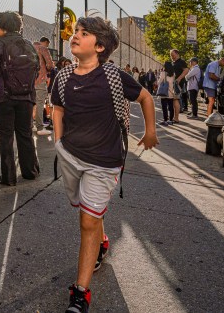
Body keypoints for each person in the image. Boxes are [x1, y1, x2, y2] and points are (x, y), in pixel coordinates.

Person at [51, 17, 158, 313]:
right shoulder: (63, 77)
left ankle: (81, 292)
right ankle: (103, 240)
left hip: (105, 162)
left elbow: (146, 97)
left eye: (83, 34)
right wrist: (59, 142)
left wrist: (150, 131)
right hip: (71, 156)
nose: (75, 36)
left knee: (86, 221)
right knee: (88, 211)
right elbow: (57, 108)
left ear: (99, 47)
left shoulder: (112, 75)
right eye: (75, 33)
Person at [0, 11, 40, 186]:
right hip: (26, 96)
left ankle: (8, 177)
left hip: (4, 97)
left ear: (1, 27)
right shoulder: (29, 45)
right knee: (25, 134)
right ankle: (30, 172)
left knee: (6, 137)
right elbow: (36, 70)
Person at [33, 36, 55, 136]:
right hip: (40, 79)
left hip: (28, 81)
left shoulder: (29, 47)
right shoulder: (43, 48)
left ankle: (30, 126)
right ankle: (40, 127)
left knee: (30, 104)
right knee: (40, 104)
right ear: (45, 42)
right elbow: (50, 65)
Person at [170, 49, 189, 123]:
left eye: (173, 54)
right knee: (173, 100)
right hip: (172, 83)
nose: (171, 56)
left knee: (175, 99)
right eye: (171, 55)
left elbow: (186, 70)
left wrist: (179, 78)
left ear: (177, 54)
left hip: (177, 84)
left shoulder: (181, 62)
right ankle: (174, 117)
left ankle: (176, 118)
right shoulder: (173, 62)